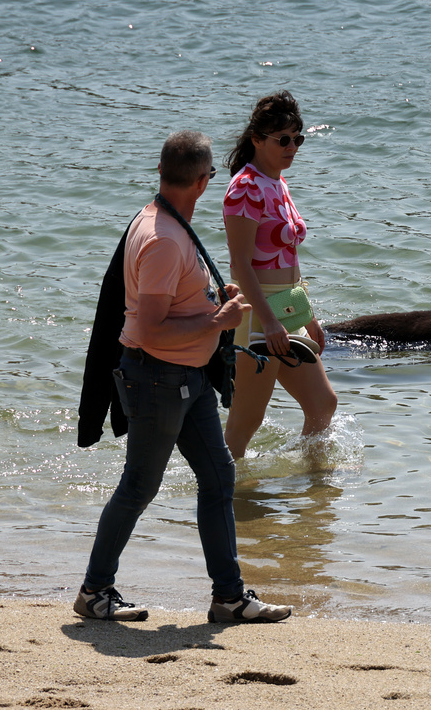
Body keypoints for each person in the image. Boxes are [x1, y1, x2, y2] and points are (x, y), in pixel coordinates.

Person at [73, 130, 292, 625]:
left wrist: (214, 300)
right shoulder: (164, 239)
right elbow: (148, 327)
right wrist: (216, 323)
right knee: (138, 487)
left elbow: (168, 303)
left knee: (218, 478)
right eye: (212, 176)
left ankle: (229, 598)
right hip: (157, 379)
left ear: (161, 173)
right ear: (202, 181)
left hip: (185, 380)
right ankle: (94, 591)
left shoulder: (162, 220)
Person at [221, 91, 337, 459]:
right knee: (245, 422)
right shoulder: (245, 188)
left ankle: (313, 491)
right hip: (258, 314)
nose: (292, 147)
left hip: (287, 310)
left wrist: (309, 315)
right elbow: (240, 264)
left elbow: (288, 257)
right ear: (257, 139)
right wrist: (269, 322)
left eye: (297, 138)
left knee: (323, 404)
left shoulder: (277, 182)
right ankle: (224, 496)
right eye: (283, 140)